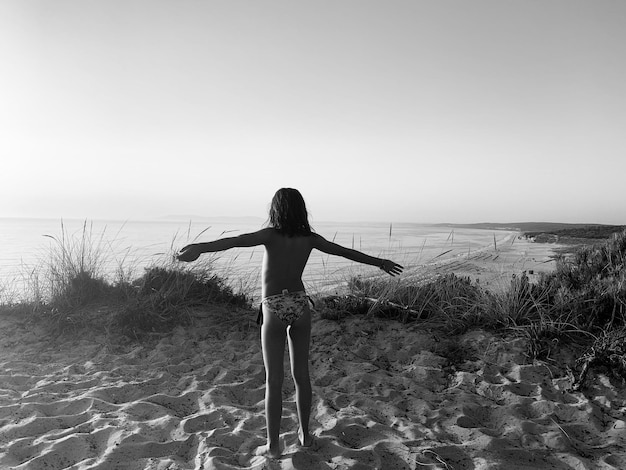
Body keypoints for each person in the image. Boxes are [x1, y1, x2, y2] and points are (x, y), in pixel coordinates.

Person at [177, 188, 403, 458]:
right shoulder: (309, 239)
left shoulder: (269, 235)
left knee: (274, 380)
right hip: (299, 304)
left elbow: (234, 241)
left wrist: (198, 248)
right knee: (301, 376)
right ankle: (305, 436)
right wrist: (380, 262)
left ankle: (273, 446)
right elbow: (344, 252)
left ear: (276, 210)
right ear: (301, 210)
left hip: (272, 306)